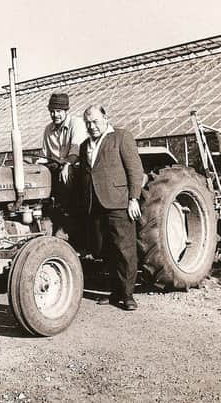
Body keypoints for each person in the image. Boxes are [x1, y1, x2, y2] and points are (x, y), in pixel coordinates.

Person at [79, 104, 144, 311]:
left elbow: (135, 170)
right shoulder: (84, 146)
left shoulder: (121, 137)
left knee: (124, 249)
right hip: (95, 204)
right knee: (104, 249)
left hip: (118, 202)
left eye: (95, 121)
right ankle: (114, 291)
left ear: (106, 118)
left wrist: (133, 198)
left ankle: (127, 295)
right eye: (88, 123)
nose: (92, 126)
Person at [41, 93, 87, 208]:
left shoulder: (76, 124)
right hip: (56, 169)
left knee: (69, 175)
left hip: (74, 168)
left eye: (59, 111)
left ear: (66, 111)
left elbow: (76, 152)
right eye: (52, 111)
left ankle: (71, 211)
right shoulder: (48, 129)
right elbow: (44, 155)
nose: (55, 115)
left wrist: (67, 165)